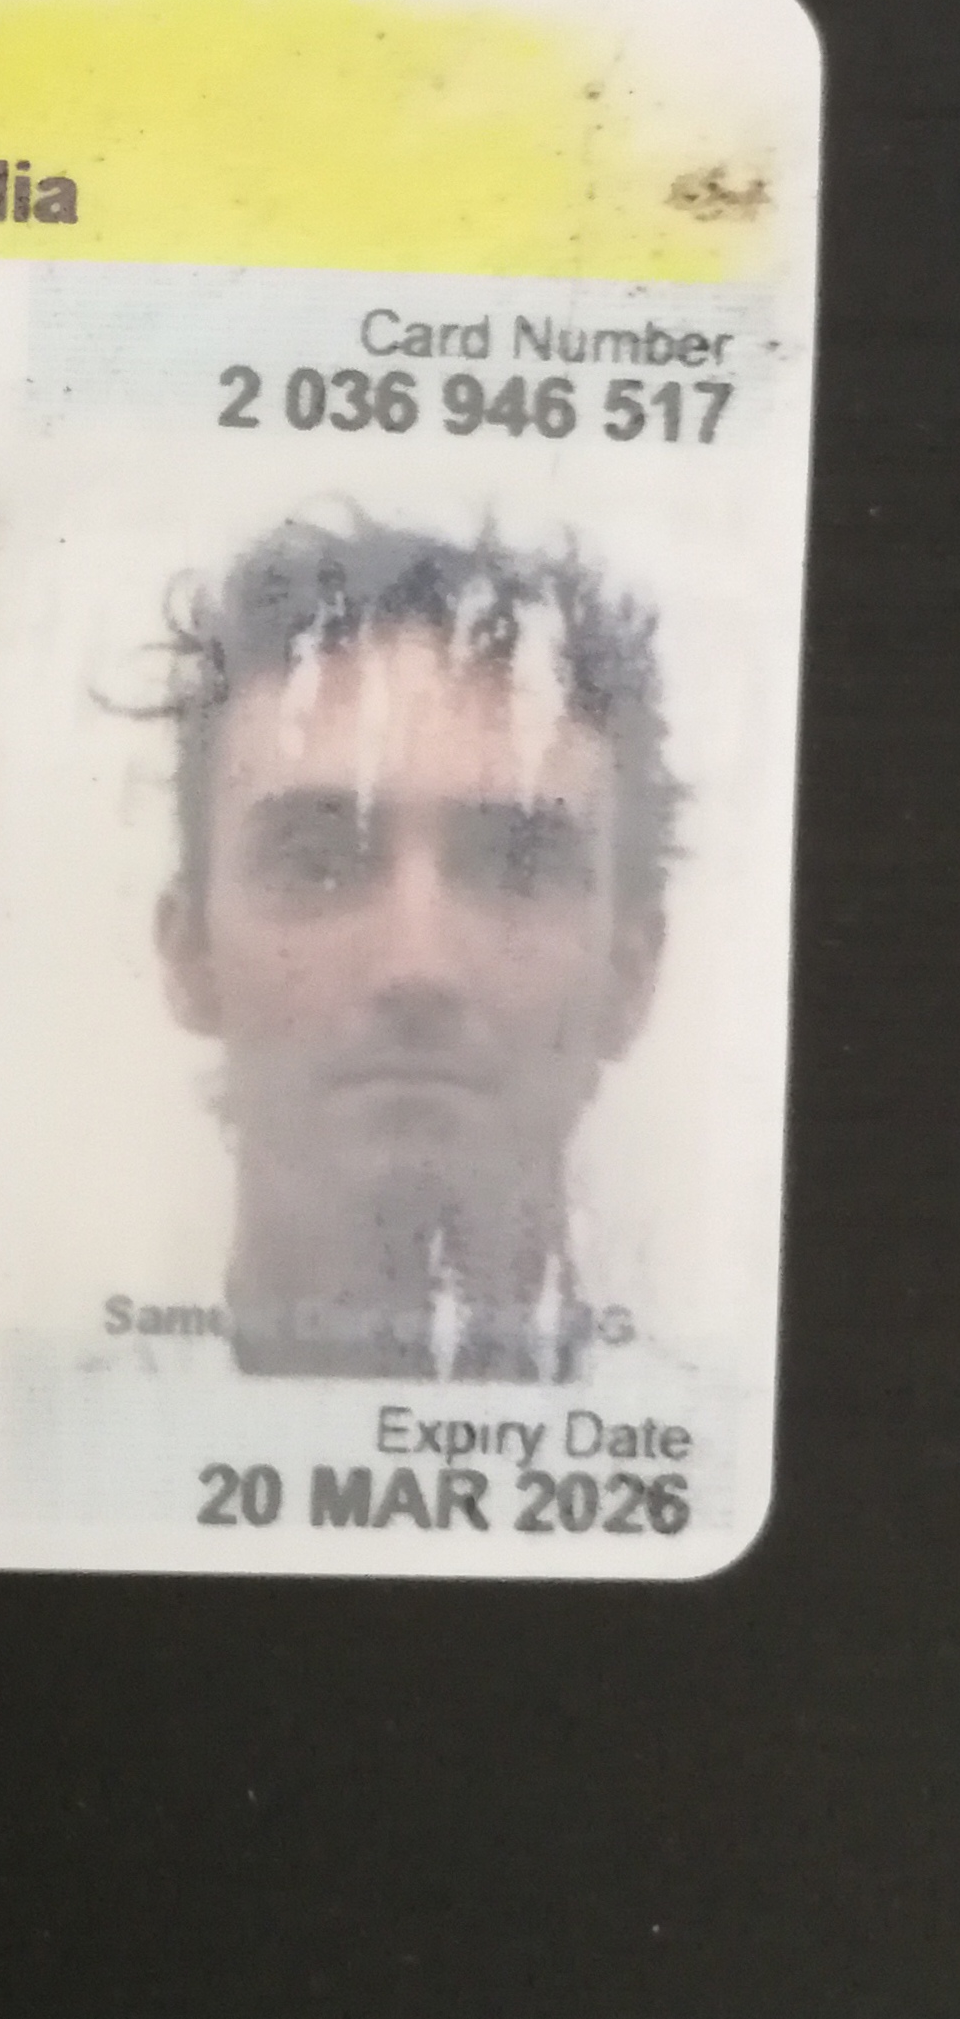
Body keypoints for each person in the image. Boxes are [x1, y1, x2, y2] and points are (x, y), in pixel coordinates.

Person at [153, 516, 676, 1383]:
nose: (417, 966)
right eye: (317, 865)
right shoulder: (19, 1439)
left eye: (514, 868)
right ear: (190, 957)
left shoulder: (734, 1445)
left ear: (629, 975)